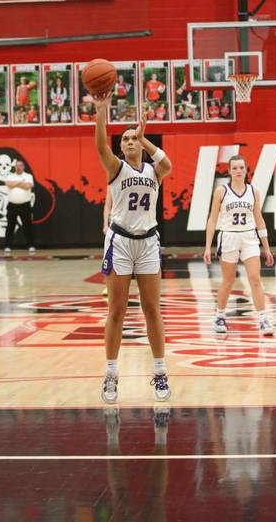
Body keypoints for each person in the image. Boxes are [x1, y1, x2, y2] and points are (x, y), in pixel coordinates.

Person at [94, 91, 172, 403]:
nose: (128, 142)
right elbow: (101, 146)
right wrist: (102, 112)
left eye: (133, 138)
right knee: (117, 311)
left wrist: (145, 137)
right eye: (125, 139)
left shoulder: (155, 171)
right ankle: (111, 374)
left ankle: (160, 371)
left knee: (152, 309)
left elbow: (167, 162)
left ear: (141, 143)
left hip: (148, 242)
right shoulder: (116, 169)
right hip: (121, 242)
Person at [203, 155, 275, 335]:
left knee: (255, 279)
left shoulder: (253, 191)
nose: (238, 171)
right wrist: (207, 247)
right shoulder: (221, 191)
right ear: (228, 171)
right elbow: (212, 219)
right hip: (228, 238)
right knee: (228, 281)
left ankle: (263, 318)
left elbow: (259, 220)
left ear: (246, 170)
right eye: (234, 168)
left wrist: (266, 248)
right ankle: (219, 316)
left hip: (249, 237)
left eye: (241, 167)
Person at [3, 160, 35, 255]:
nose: (18, 167)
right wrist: (21, 183)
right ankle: (7, 246)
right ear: (14, 167)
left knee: (27, 226)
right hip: (12, 205)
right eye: (17, 166)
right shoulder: (9, 176)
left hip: (25, 205)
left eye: (20, 165)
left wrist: (15, 183)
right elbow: (9, 184)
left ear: (23, 167)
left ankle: (30, 245)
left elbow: (27, 186)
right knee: (10, 226)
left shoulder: (28, 176)